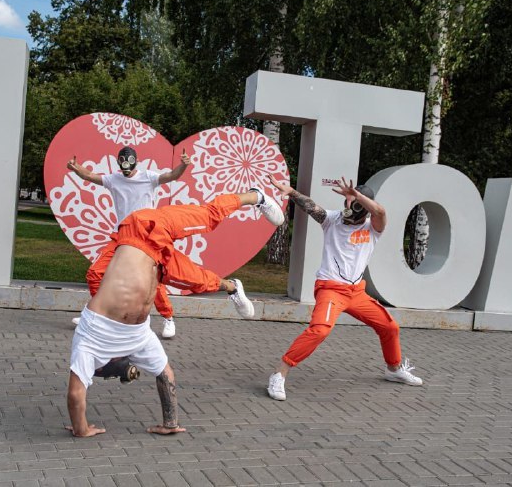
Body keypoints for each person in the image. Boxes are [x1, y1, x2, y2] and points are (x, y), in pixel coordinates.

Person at [66, 189, 284, 437]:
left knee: (209, 217)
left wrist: (80, 428)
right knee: (195, 280)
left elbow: (75, 394)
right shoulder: (138, 341)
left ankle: (255, 197)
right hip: (155, 267)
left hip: (143, 228)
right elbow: (165, 374)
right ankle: (232, 287)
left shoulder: (89, 340)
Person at [265, 175, 423, 402]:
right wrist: (291, 192)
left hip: (357, 293)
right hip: (331, 290)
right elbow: (310, 206)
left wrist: (357, 196)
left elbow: (381, 212)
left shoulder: (374, 227)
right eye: (347, 202)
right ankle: (279, 374)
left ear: (365, 207)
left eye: (356, 204)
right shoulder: (332, 220)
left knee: (390, 327)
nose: (349, 207)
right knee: (319, 330)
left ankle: (394, 369)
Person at [67, 146, 192, 338]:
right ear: (118, 162)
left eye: (128, 162)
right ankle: (98, 316)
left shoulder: (148, 177)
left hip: (146, 237)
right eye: (122, 162)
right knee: (95, 273)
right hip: (122, 235)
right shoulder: (113, 179)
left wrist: (183, 165)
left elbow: (171, 176)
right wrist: (77, 168)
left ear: (135, 161)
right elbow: (90, 176)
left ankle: (168, 318)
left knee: (152, 280)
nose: (125, 166)